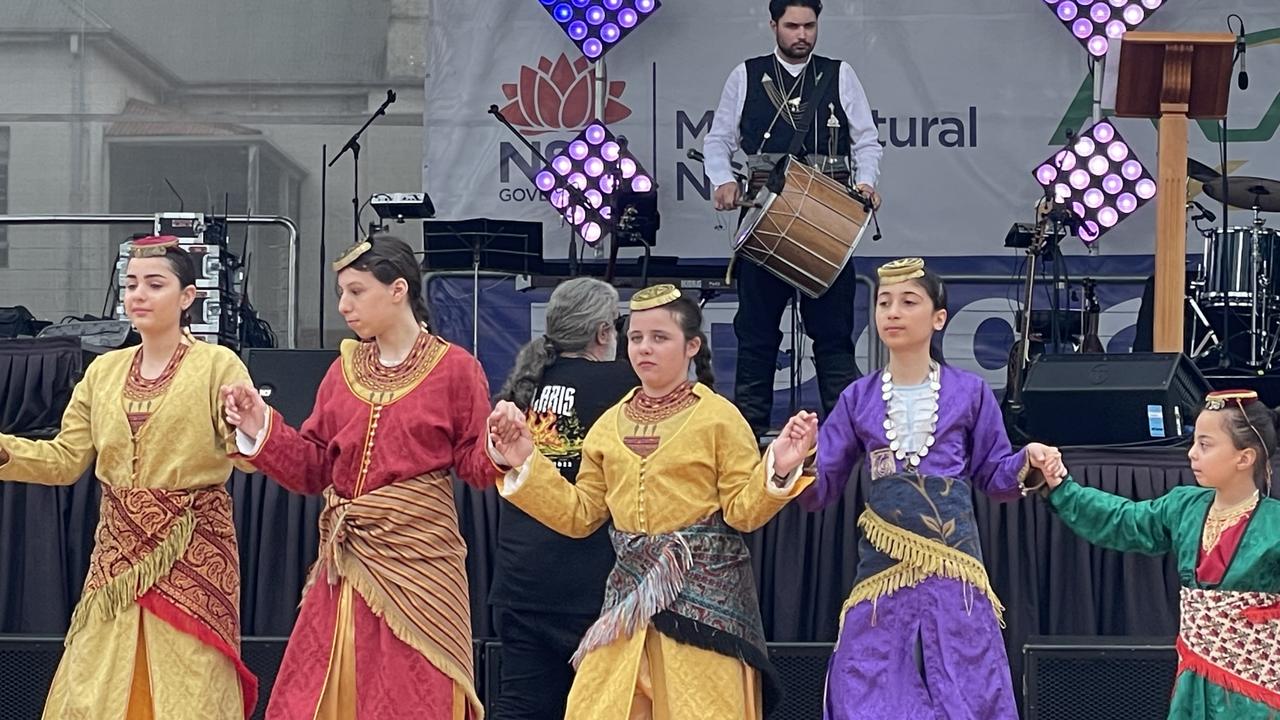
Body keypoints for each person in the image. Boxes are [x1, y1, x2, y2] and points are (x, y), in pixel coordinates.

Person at [487, 284, 818, 719]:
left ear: (691, 346)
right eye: (637, 337)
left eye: (660, 337)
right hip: (627, 604)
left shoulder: (719, 417)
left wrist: (777, 469)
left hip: (703, 611)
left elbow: (742, 512)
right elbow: (581, 515)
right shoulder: (609, 425)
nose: (644, 348)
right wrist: (525, 462)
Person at [221, 236, 498, 719]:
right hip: (347, 560)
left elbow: (474, 463)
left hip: (421, 560)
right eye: (341, 293)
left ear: (398, 290)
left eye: (356, 291)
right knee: (321, 690)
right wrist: (259, 424)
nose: (344, 306)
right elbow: (313, 469)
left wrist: (501, 449)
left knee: (417, 691)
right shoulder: (342, 371)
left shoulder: (456, 369)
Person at [0, 235, 257, 718]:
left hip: (192, 548)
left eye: (154, 284)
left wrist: (252, 426)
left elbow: (244, 457)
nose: (138, 295)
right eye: (131, 284)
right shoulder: (104, 372)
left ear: (187, 297)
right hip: (117, 553)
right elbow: (65, 460)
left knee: (190, 679)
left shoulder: (217, 365)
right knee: (97, 678)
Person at [804, 258, 1066, 719]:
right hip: (881, 575)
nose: (893, 313)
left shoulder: (969, 392)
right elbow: (820, 489)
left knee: (967, 687)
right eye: (884, 302)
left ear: (938, 318)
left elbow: (994, 475)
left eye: (909, 302)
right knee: (865, 688)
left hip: (956, 577)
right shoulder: (857, 398)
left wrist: (1029, 459)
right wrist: (797, 462)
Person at [702, 0, 884, 436]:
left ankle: (846, 440)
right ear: (773, 25)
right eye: (792, 26)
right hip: (768, 221)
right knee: (757, 337)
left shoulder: (839, 74)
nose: (802, 34)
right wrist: (723, 180)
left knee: (835, 339)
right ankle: (747, 441)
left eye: (809, 25)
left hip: (828, 221)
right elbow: (718, 141)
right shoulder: (744, 75)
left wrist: (867, 181)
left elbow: (867, 142)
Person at [1042, 389, 1280, 718]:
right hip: (1194, 682)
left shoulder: (1274, 524)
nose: (1192, 454)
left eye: (1205, 445)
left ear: (1245, 457)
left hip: (1256, 691)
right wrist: (1061, 485)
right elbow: (1122, 520)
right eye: (1194, 442)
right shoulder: (1184, 506)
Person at [489, 277, 638, 719]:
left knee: (520, 705)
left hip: (521, 580)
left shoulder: (526, 384)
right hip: (589, 583)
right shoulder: (625, 385)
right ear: (603, 333)